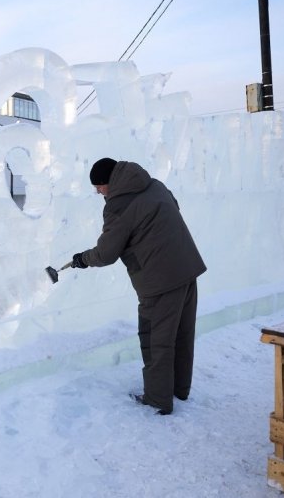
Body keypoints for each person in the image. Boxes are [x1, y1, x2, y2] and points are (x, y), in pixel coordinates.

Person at [71, 158, 206, 415]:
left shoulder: (118, 207)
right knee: (181, 334)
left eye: (99, 186)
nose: (98, 192)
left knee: (156, 340)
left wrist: (83, 259)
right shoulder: (154, 185)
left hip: (159, 281)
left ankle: (157, 398)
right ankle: (178, 388)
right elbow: (173, 207)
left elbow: (107, 253)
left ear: (109, 182)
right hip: (187, 267)